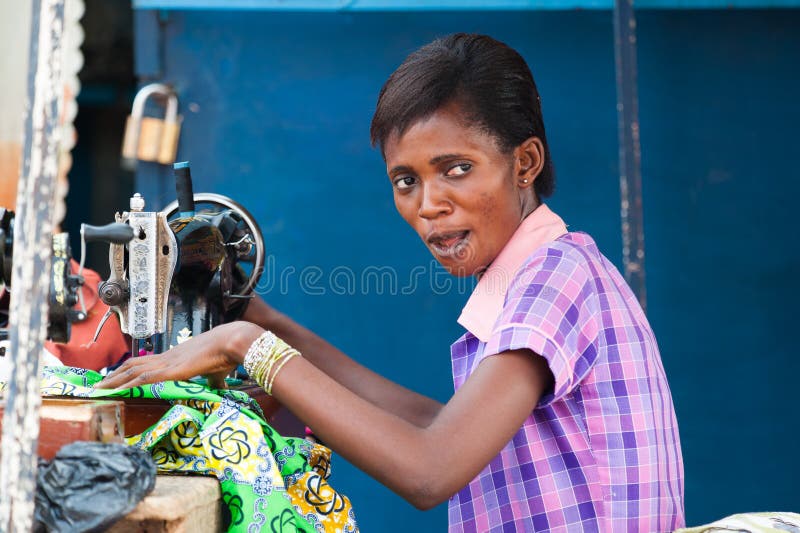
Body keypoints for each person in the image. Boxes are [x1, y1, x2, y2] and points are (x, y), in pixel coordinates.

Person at [99, 33, 684, 532]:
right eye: (406, 181)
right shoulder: (545, 273)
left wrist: (247, 345)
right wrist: (265, 323)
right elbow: (435, 426)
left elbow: (431, 468)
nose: (429, 205)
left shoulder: (557, 281)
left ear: (524, 163)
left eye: (457, 169)